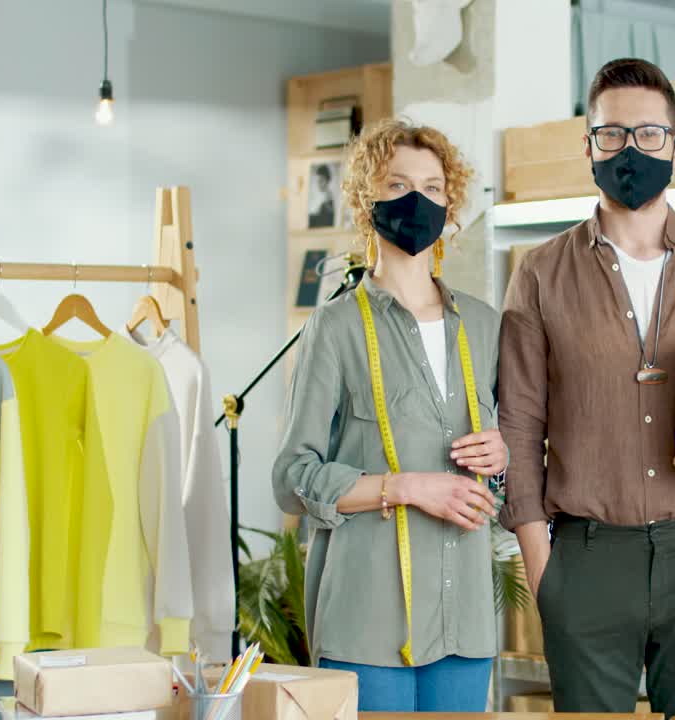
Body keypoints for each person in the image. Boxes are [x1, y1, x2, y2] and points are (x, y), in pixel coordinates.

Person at [498, 57, 675, 717]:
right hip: (586, 555)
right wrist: (546, 575)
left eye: (649, 134)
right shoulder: (539, 276)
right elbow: (518, 425)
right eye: (612, 134)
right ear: (589, 146)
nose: (631, 149)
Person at [272, 119, 507, 713]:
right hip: (368, 622)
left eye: (432, 188)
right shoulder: (335, 327)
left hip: (466, 620)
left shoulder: (483, 326)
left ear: (450, 205)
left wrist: (501, 458)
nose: (416, 201)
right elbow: (292, 475)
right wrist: (402, 487)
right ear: (365, 198)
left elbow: (509, 476)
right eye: (397, 184)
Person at [309, 163, 336, 228]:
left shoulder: (329, 199)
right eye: (318, 181)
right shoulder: (319, 197)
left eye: (321, 180)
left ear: (327, 180)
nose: (319, 183)